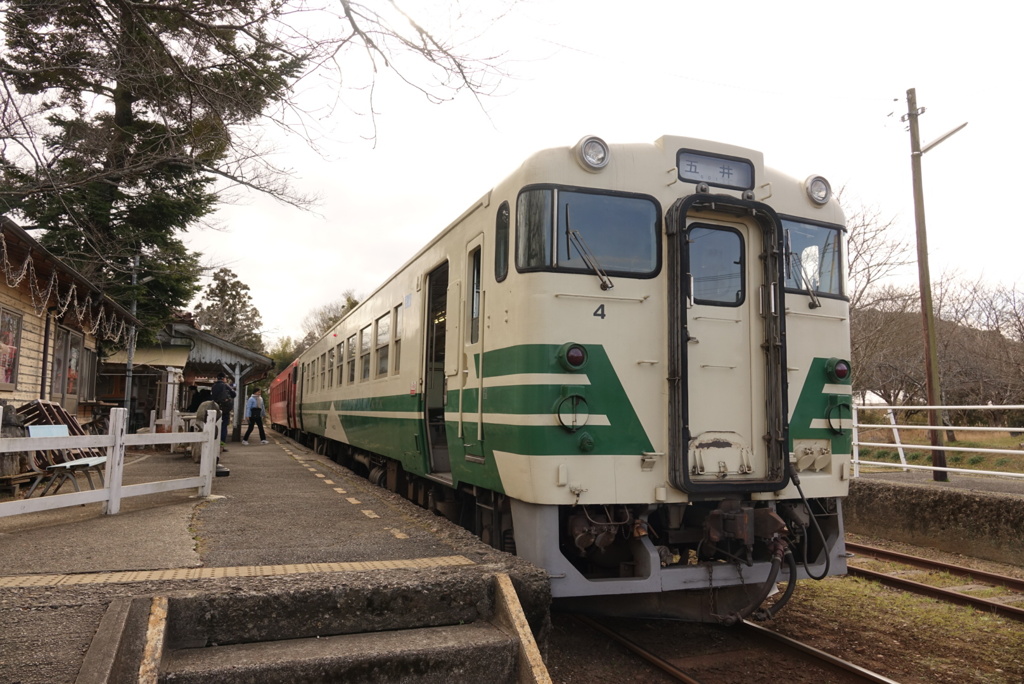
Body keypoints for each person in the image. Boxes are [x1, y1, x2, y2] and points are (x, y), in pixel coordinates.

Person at [210, 372, 235, 445]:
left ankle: (214, 443)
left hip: (215, 408)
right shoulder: (226, 386)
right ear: (224, 378)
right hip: (224, 409)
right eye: (226, 378)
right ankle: (221, 445)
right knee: (223, 427)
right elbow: (234, 394)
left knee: (215, 426)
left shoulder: (214, 386)